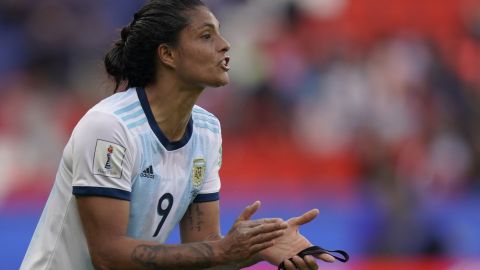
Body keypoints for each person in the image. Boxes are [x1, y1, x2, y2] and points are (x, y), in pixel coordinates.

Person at [21, 0, 335, 269]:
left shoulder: (208, 130)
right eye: (206, 35)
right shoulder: (110, 127)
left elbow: (202, 252)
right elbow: (108, 256)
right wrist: (222, 249)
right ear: (168, 55)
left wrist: (257, 247)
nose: (225, 44)